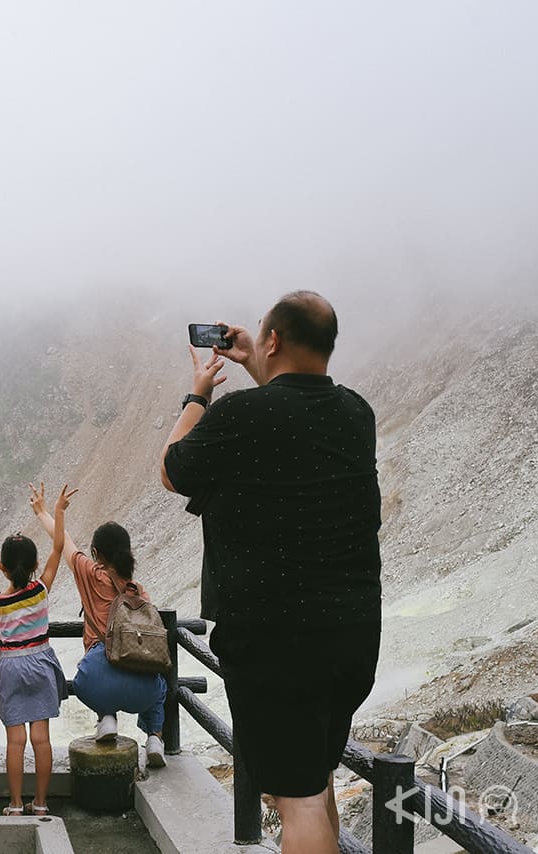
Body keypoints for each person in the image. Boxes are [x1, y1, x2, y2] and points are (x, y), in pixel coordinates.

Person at [159, 291, 381, 854]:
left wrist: (198, 394)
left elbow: (172, 469)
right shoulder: (356, 413)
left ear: (275, 340)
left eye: (264, 336)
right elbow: (292, 410)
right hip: (352, 637)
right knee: (317, 777)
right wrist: (259, 359)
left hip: (276, 643)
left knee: (296, 802)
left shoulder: (239, 417)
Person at [30, 484, 169, 768]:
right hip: (144, 690)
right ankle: (155, 737)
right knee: (161, 687)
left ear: (95, 553)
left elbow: (63, 541)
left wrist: (45, 511)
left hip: (98, 676)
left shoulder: (91, 574)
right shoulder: (139, 591)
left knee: (85, 677)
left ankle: (106, 717)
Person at [0, 486, 73, 816]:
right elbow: (59, 547)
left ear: (1, 566)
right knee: (41, 739)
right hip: (39, 663)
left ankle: (14, 803)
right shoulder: (40, 590)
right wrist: (56, 511)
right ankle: (40, 803)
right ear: (36, 564)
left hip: (9, 667)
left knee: (15, 741)